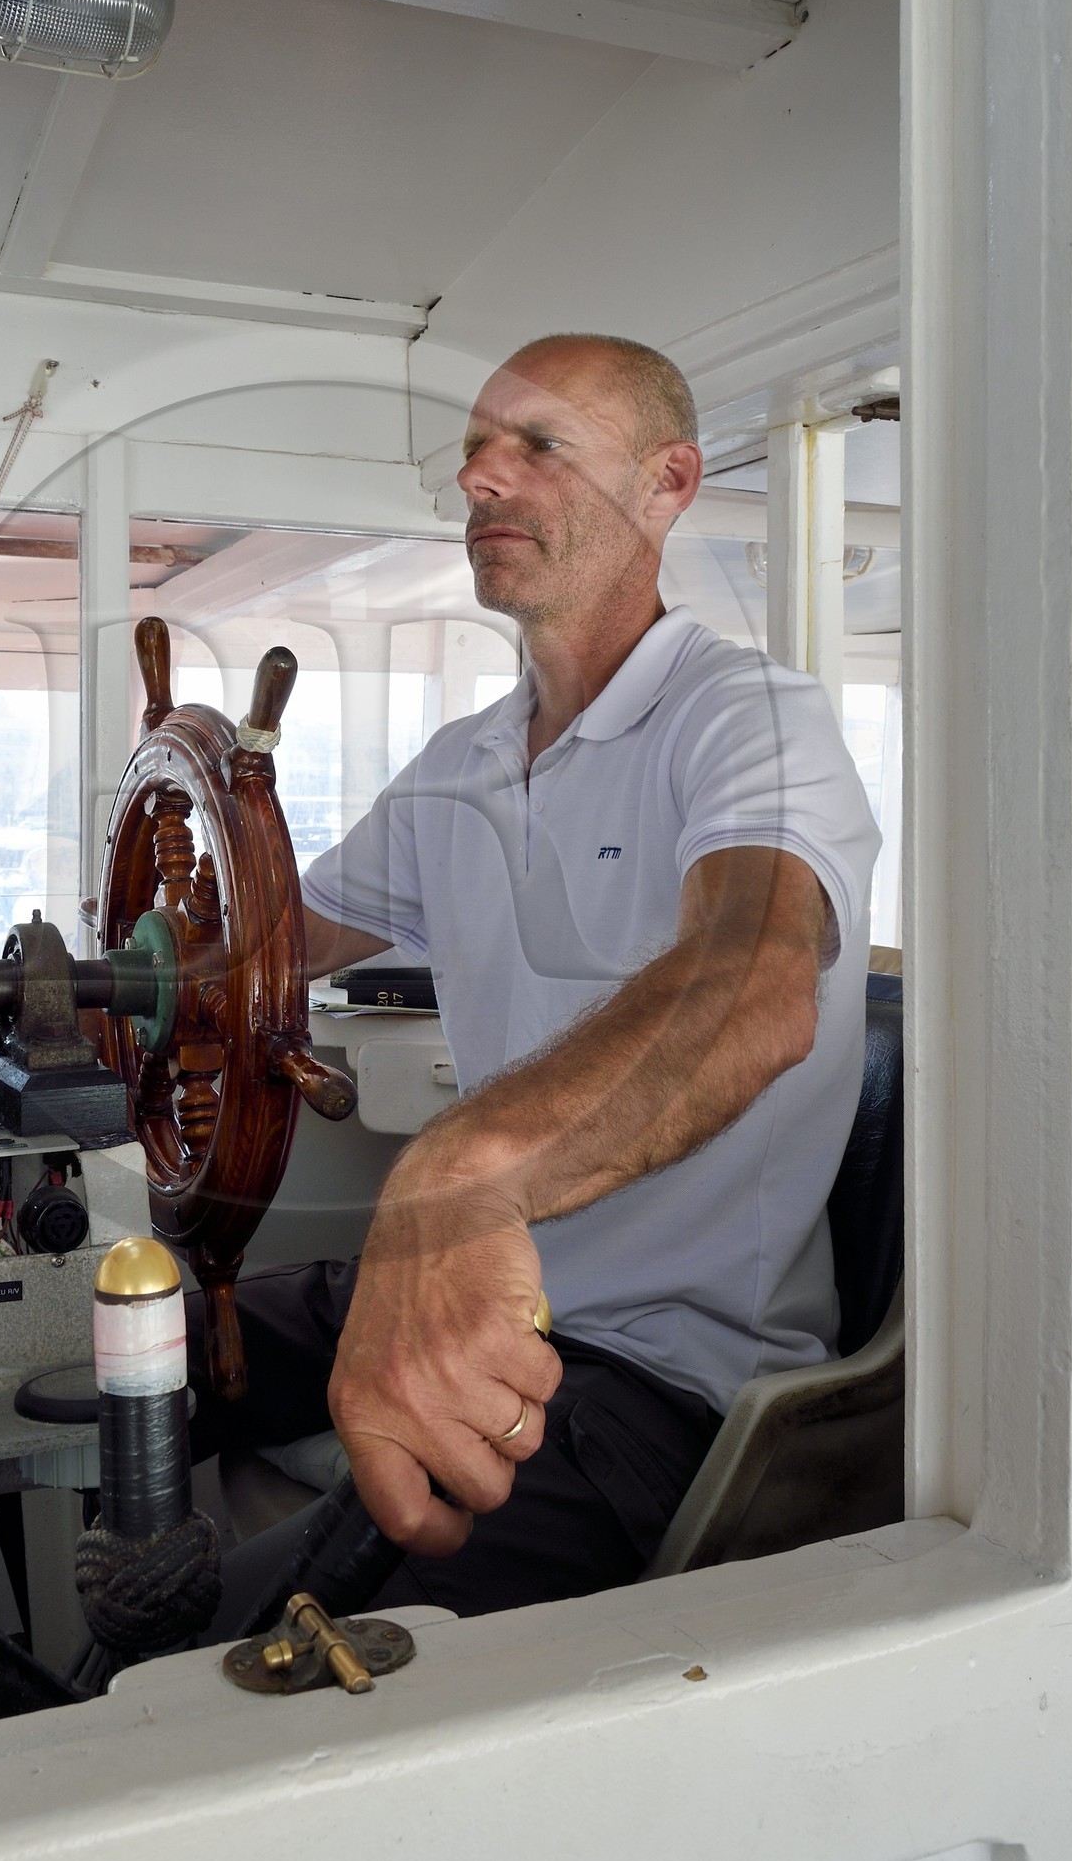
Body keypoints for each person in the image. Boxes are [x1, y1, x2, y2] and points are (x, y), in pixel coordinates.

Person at [188, 332, 881, 1616]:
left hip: (659, 1372)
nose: (480, 481)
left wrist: (458, 1174)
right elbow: (258, 946)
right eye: (471, 454)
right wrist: (165, 878)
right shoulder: (462, 761)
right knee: (113, 1360)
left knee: (244, 1652)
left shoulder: (750, 721)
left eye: (539, 446)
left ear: (668, 484)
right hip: (470, 1294)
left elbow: (756, 982)